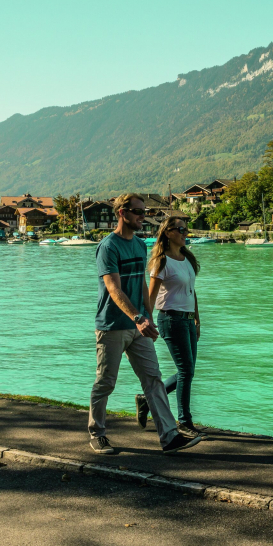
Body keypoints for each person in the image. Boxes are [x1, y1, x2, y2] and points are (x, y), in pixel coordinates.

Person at [88, 193, 202, 455]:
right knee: (106, 382)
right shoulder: (108, 247)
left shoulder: (139, 245)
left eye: (144, 211)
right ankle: (98, 434)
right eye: (138, 212)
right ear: (122, 213)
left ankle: (170, 437)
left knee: (153, 379)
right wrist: (138, 318)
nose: (143, 216)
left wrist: (147, 316)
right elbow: (114, 289)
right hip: (112, 325)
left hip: (139, 325)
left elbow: (141, 285)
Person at [138, 215, 202, 437]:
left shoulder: (187, 258)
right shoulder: (161, 261)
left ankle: (147, 401)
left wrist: (197, 319)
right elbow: (150, 296)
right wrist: (147, 321)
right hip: (170, 319)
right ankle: (184, 422)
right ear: (168, 233)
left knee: (188, 371)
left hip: (187, 319)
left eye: (186, 230)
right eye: (181, 229)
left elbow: (192, 292)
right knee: (186, 371)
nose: (185, 233)